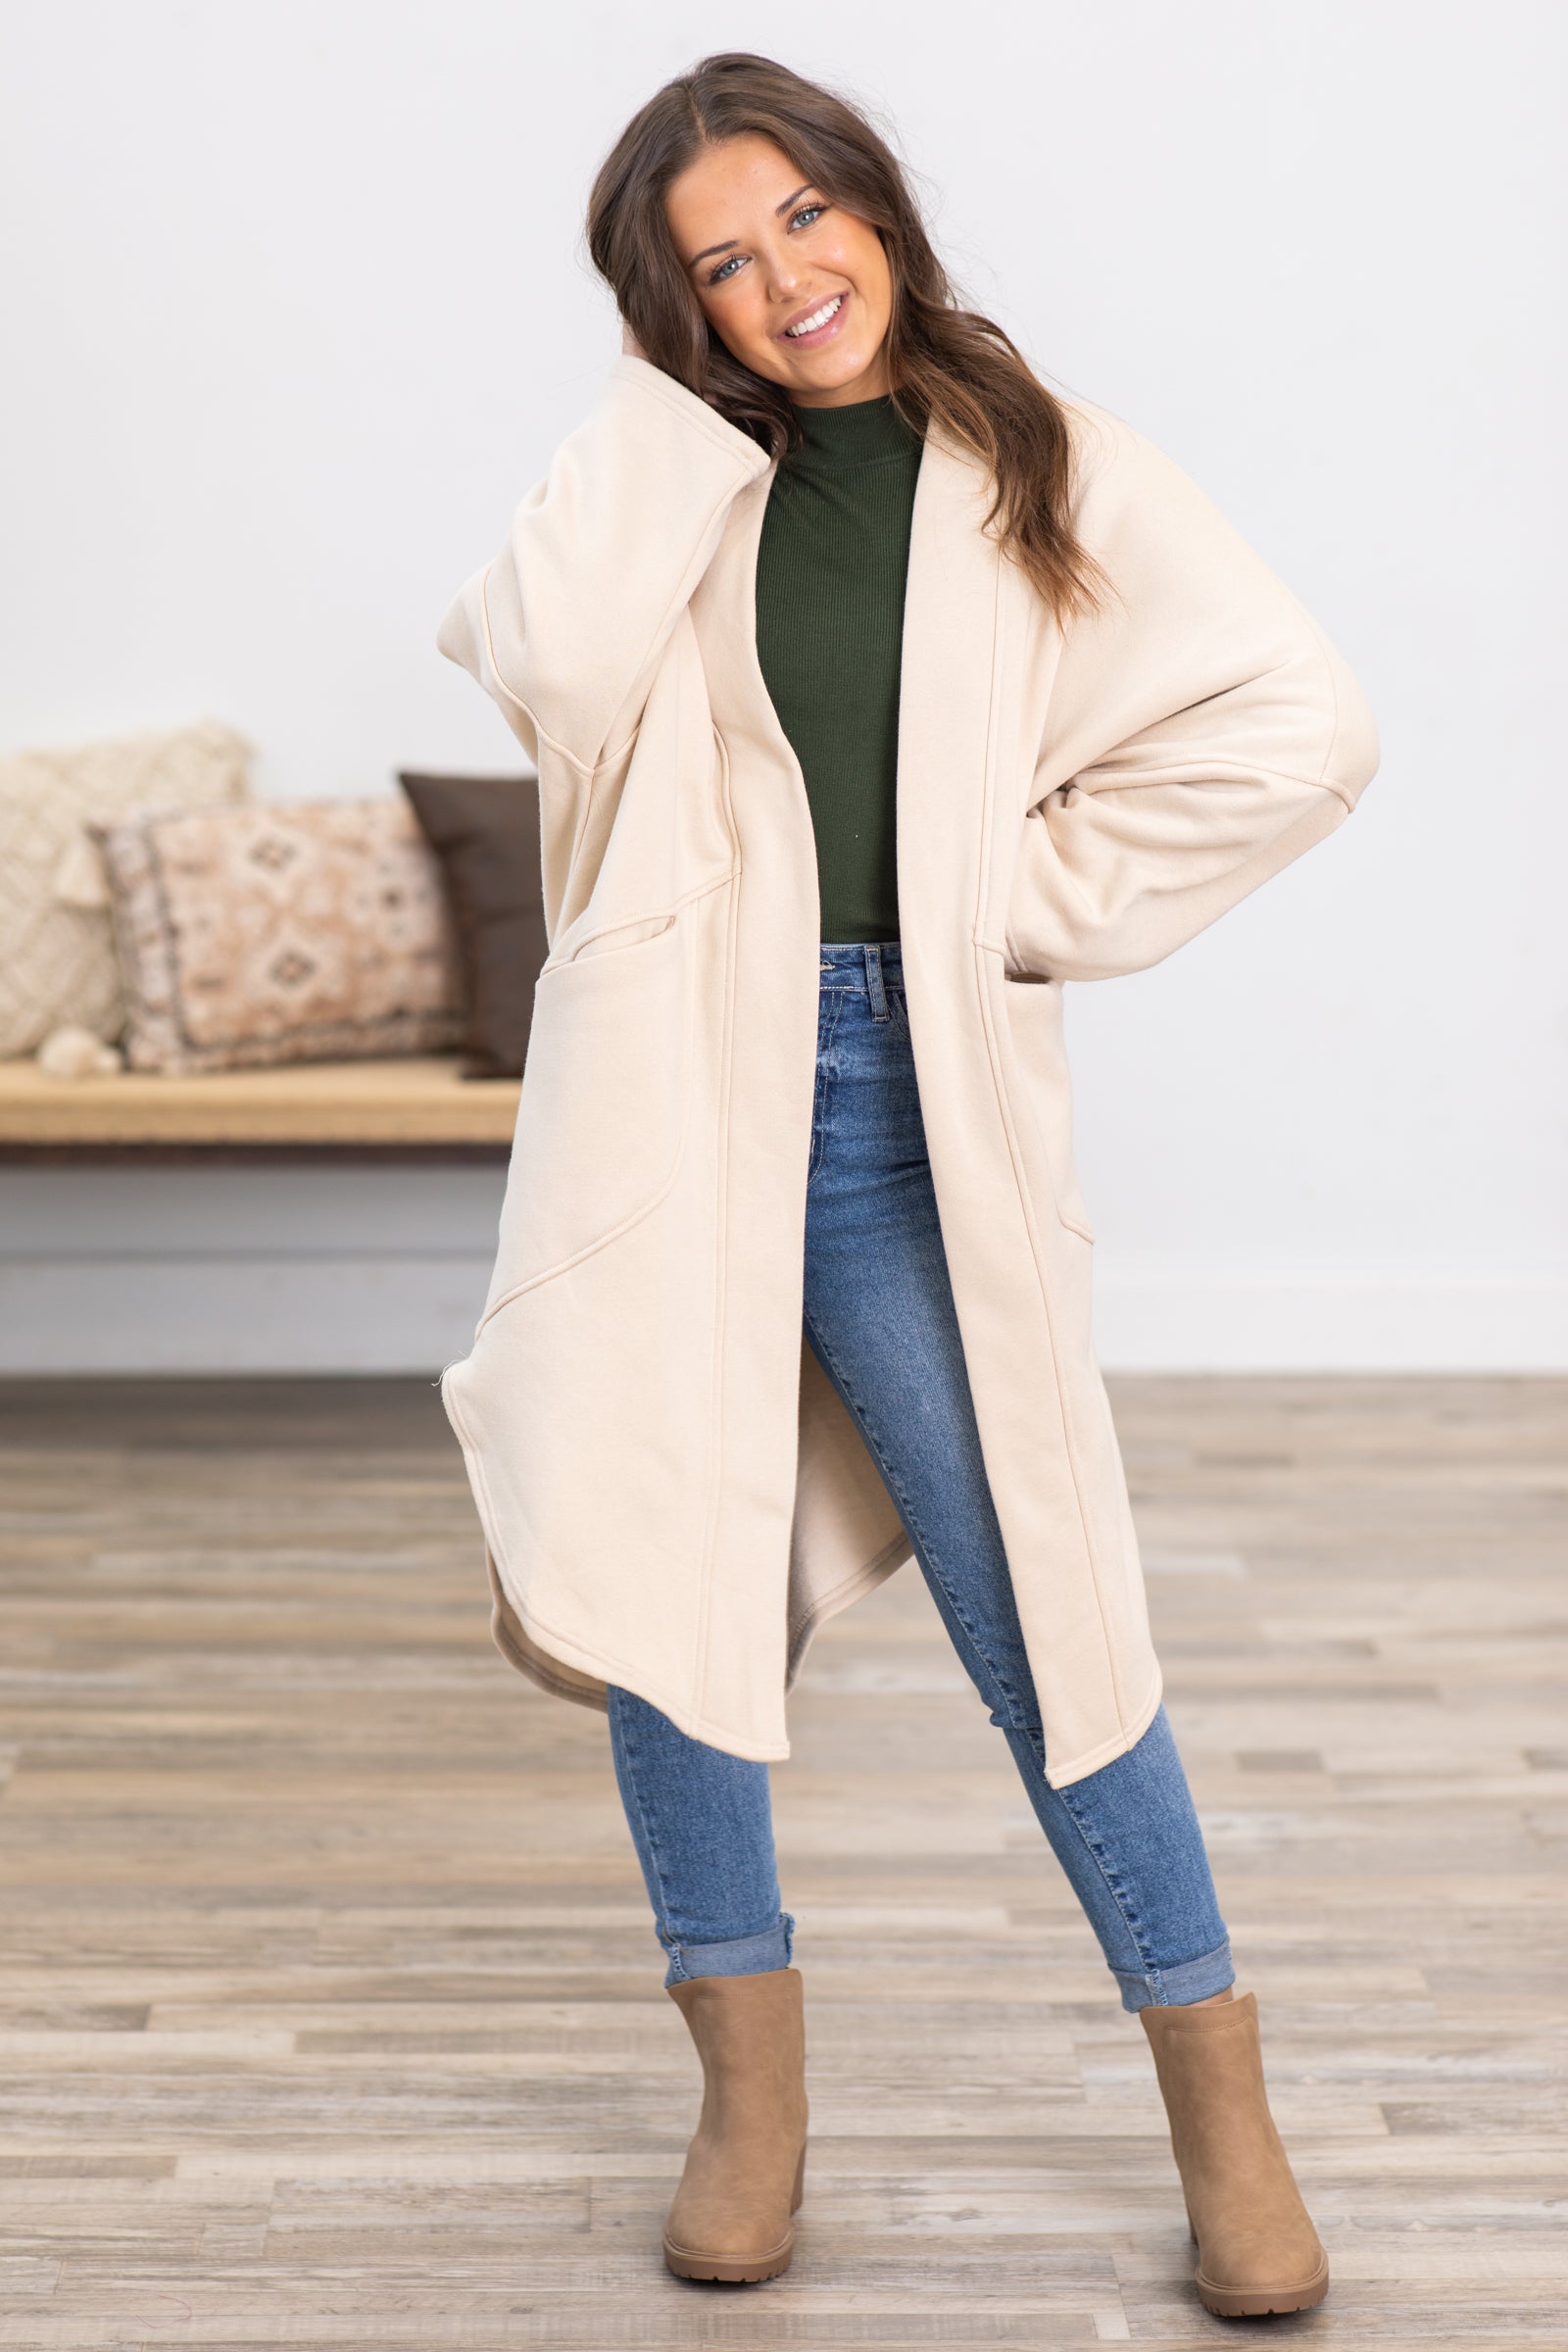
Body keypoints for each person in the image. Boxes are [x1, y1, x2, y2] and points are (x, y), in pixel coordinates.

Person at [436, 50, 1378, 2318]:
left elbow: (1298, 723)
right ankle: (745, 2104)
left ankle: (1215, 2102)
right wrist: (668, 409)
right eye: (715, 266)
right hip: (668, 1097)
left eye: (800, 217)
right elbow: (545, 672)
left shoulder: (1042, 459)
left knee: (1040, 1602)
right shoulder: (669, 480)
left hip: (894, 1102)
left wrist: (1000, 902)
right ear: (671, 310)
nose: (782, 280)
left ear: (871, 202)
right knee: (670, 1590)